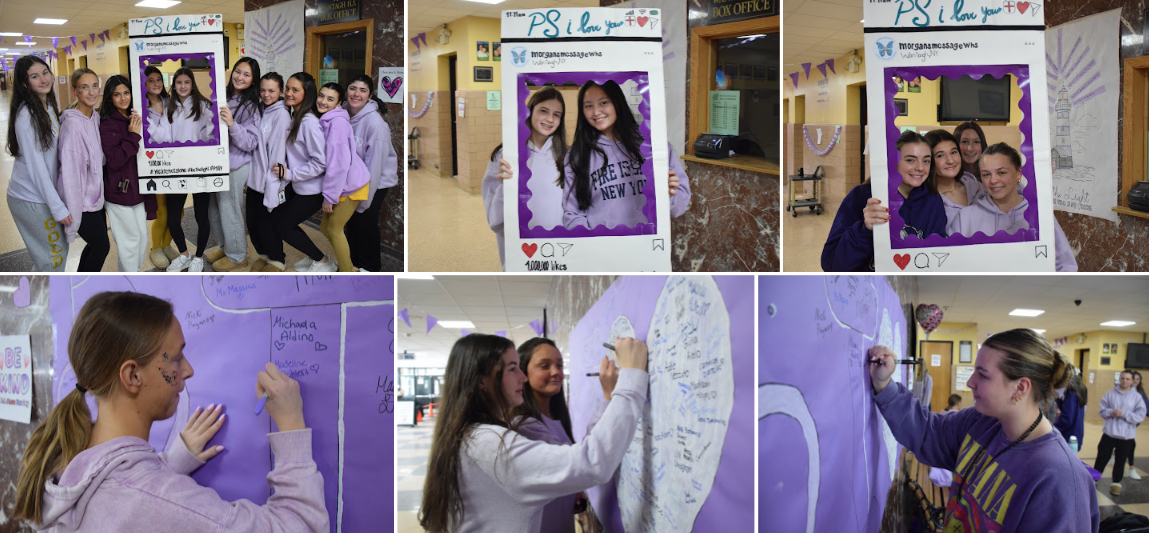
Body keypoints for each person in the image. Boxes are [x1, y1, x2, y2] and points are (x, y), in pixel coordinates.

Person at [13, 291, 328, 531]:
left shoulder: (65, 463)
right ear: (133, 376)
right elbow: (300, 526)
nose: (188, 371)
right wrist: (291, 425)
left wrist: (169, 464)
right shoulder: (148, 499)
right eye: (176, 358)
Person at [869, 328, 1098, 532]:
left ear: (1020, 387)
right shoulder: (981, 421)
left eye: (983, 374)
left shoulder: (1059, 479)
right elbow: (928, 432)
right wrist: (884, 385)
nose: (970, 382)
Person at [419, 333, 648, 533]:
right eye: (512, 369)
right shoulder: (487, 442)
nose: (522, 377)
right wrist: (632, 377)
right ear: (482, 381)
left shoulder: (474, 436)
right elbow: (589, 463)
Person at [562, 80, 689, 230]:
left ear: (617, 103)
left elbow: (679, 206)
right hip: (601, 248)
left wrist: (667, 197)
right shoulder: (577, 154)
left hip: (647, 244)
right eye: (588, 106)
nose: (596, 112)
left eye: (603, 103)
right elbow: (572, 214)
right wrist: (593, 244)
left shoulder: (652, 144)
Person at [821, 130, 945, 272]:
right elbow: (831, 264)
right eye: (910, 160)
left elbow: (936, 258)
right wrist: (864, 229)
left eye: (926, 161)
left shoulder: (933, 202)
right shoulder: (861, 196)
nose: (920, 167)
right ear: (892, 162)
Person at [947, 143, 1078, 271]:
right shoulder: (965, 218)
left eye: (1001, 173)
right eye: (986, 174)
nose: (993, 180)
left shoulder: (1038, 215)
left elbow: (1066, 265)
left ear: (1018, 173)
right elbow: (949, 264)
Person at [483, 87, 568, 270]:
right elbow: (494, 218)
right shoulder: (505, 155)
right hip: (519, 249)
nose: (549, 119)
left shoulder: (566, 156)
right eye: (543, 111)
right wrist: (503, 187)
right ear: (530, 111)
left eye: (557, 115)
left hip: (559, 249)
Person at [510, 338, 588, 533]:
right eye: (545, 366)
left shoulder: (556, 417)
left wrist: (573, 490)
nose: (556, 372)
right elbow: (579, 463)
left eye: (559, 365)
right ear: (523, 373)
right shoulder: (525, 425)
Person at [5, 56, 70, 271]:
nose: (43, 79)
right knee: (54, 258)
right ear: (25, 83)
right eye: (35, 76)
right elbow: (37, 168)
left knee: (53, 256)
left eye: (45, 72)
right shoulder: (26, 115)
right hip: (30, 197)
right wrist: (58, 208)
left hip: (43, 195)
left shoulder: (48, 106)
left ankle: (39, 295)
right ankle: (44, 301)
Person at [154, 67, 218, 272]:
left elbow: (213, 134)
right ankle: (183, 254)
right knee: (173, 218)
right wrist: (146, 124)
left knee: (201, 216)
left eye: (186, 82)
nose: (182, 86)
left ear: (192, 84)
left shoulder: (204, 106)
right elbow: (162, 135)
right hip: (177, 168)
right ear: (174, 85)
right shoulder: (169, 108)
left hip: (200, 169)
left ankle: (198, 257)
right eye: (179, 82)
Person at [271, 72, 334, 272]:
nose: (288, 93)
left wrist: (289, 174)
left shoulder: (308, 122)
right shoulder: (296, 116)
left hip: (312, 189)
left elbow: (320, 162)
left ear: (306, 94)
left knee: (284, 227)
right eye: (287, 88)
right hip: (299, 186)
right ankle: (315, 256)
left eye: (294, 90)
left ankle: (323, 261)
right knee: (281, 222)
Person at [205, 57, 261, 271]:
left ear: (253, 80)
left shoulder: (251, 106)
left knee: (230, 210)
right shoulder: (222, 96)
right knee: (215, 209)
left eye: (247, 74)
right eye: (238, 71)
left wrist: (231, 123)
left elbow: (250, 143)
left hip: (235, 166)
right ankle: (226, 246)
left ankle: (238, 256)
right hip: (216, 164)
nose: (240, 77)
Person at [99, 74, 156, 272]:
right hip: (118, 192)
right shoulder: (108, 124)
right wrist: (132, 136)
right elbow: (114, 160)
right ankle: (132, 284)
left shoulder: (135, 118)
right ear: (109, 98)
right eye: (117, 94)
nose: (123, 98)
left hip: (138, 190)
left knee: (141, 238)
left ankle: (130, 277)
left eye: (126, 93)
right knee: (129, 242)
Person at [344, 74, 399, 272]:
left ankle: (370, 268)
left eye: (362, 90)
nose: (356, 94)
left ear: (370, 96)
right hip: (353, 181)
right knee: (351, 225)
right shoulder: (343, 115)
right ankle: (353, 265)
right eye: (353, 88)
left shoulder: (375, 124)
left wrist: (365, 201)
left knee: (365, 224)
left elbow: (374, 166)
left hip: (374, 183)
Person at [56, 68, 109, 272]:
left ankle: (80, 278)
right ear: (74, 91)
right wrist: (73, 213)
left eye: (95, 86)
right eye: (84, 87)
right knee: (102, 247)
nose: (92, 92)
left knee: (96, 246)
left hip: (95, 200)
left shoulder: (94, 117)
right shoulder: (72, 126)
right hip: (81, 204)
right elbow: (70, 175)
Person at [315, 82, 370, 272]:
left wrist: (329, 197)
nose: (323, 101)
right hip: (344, 182)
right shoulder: (329, 119)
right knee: (325, 227)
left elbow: (338, 164)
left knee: (334, 229)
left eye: (330, 99)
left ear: (338, 103)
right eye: (321, 96)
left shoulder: (336, 123)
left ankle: (347, 271)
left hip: (352, 184)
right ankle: (348, 265)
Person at [247, 72, 291, 273]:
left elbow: (277, 153)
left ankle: (277, 260)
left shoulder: (281, 114)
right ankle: (263, 255)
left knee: (267, 224)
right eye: (263, 90)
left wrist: (272, 186)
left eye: (272, 91)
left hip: (268, 180)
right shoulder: (262, 109)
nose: (266, 94)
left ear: (280, 91)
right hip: (254, 180)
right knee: (253, 223)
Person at [142, 66, 180, 270]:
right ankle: (156, 247)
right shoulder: (141, 107)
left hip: (177, 163)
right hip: (156, 165)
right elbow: (156, 136)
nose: (156, 83)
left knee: (179, 210)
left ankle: (167, 244)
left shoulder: (170, 102)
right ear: (144, 84)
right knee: (162, 210)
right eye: (151, 80)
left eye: (159, 79)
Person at [1095, 370, 1146, 495]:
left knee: (1120, 460)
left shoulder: (1137, 397)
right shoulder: (1110, 393)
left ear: (1132, 381)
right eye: (1122, 378)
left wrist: (1125, 414)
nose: (1124, 381)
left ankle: (1116, 483)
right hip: (1109, 433)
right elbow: (1102, 410)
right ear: (1119, 379)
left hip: (1126, 436)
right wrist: (1110, 412)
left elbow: (1140, 416)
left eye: (1128, 379)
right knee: (1102, 456)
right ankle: (1094, 478)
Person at [924, 129, 984, 227]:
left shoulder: (973, 183)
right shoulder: (927, 200)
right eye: (940, 155)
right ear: (928, 161)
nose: (950, 161)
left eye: (953, 152)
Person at [1054, 367, 1086, 452]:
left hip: (1069, 435)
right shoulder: (1079, 390)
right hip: (1075, 434)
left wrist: (1052, 429)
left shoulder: (1071, 394)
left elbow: (1067, 418)